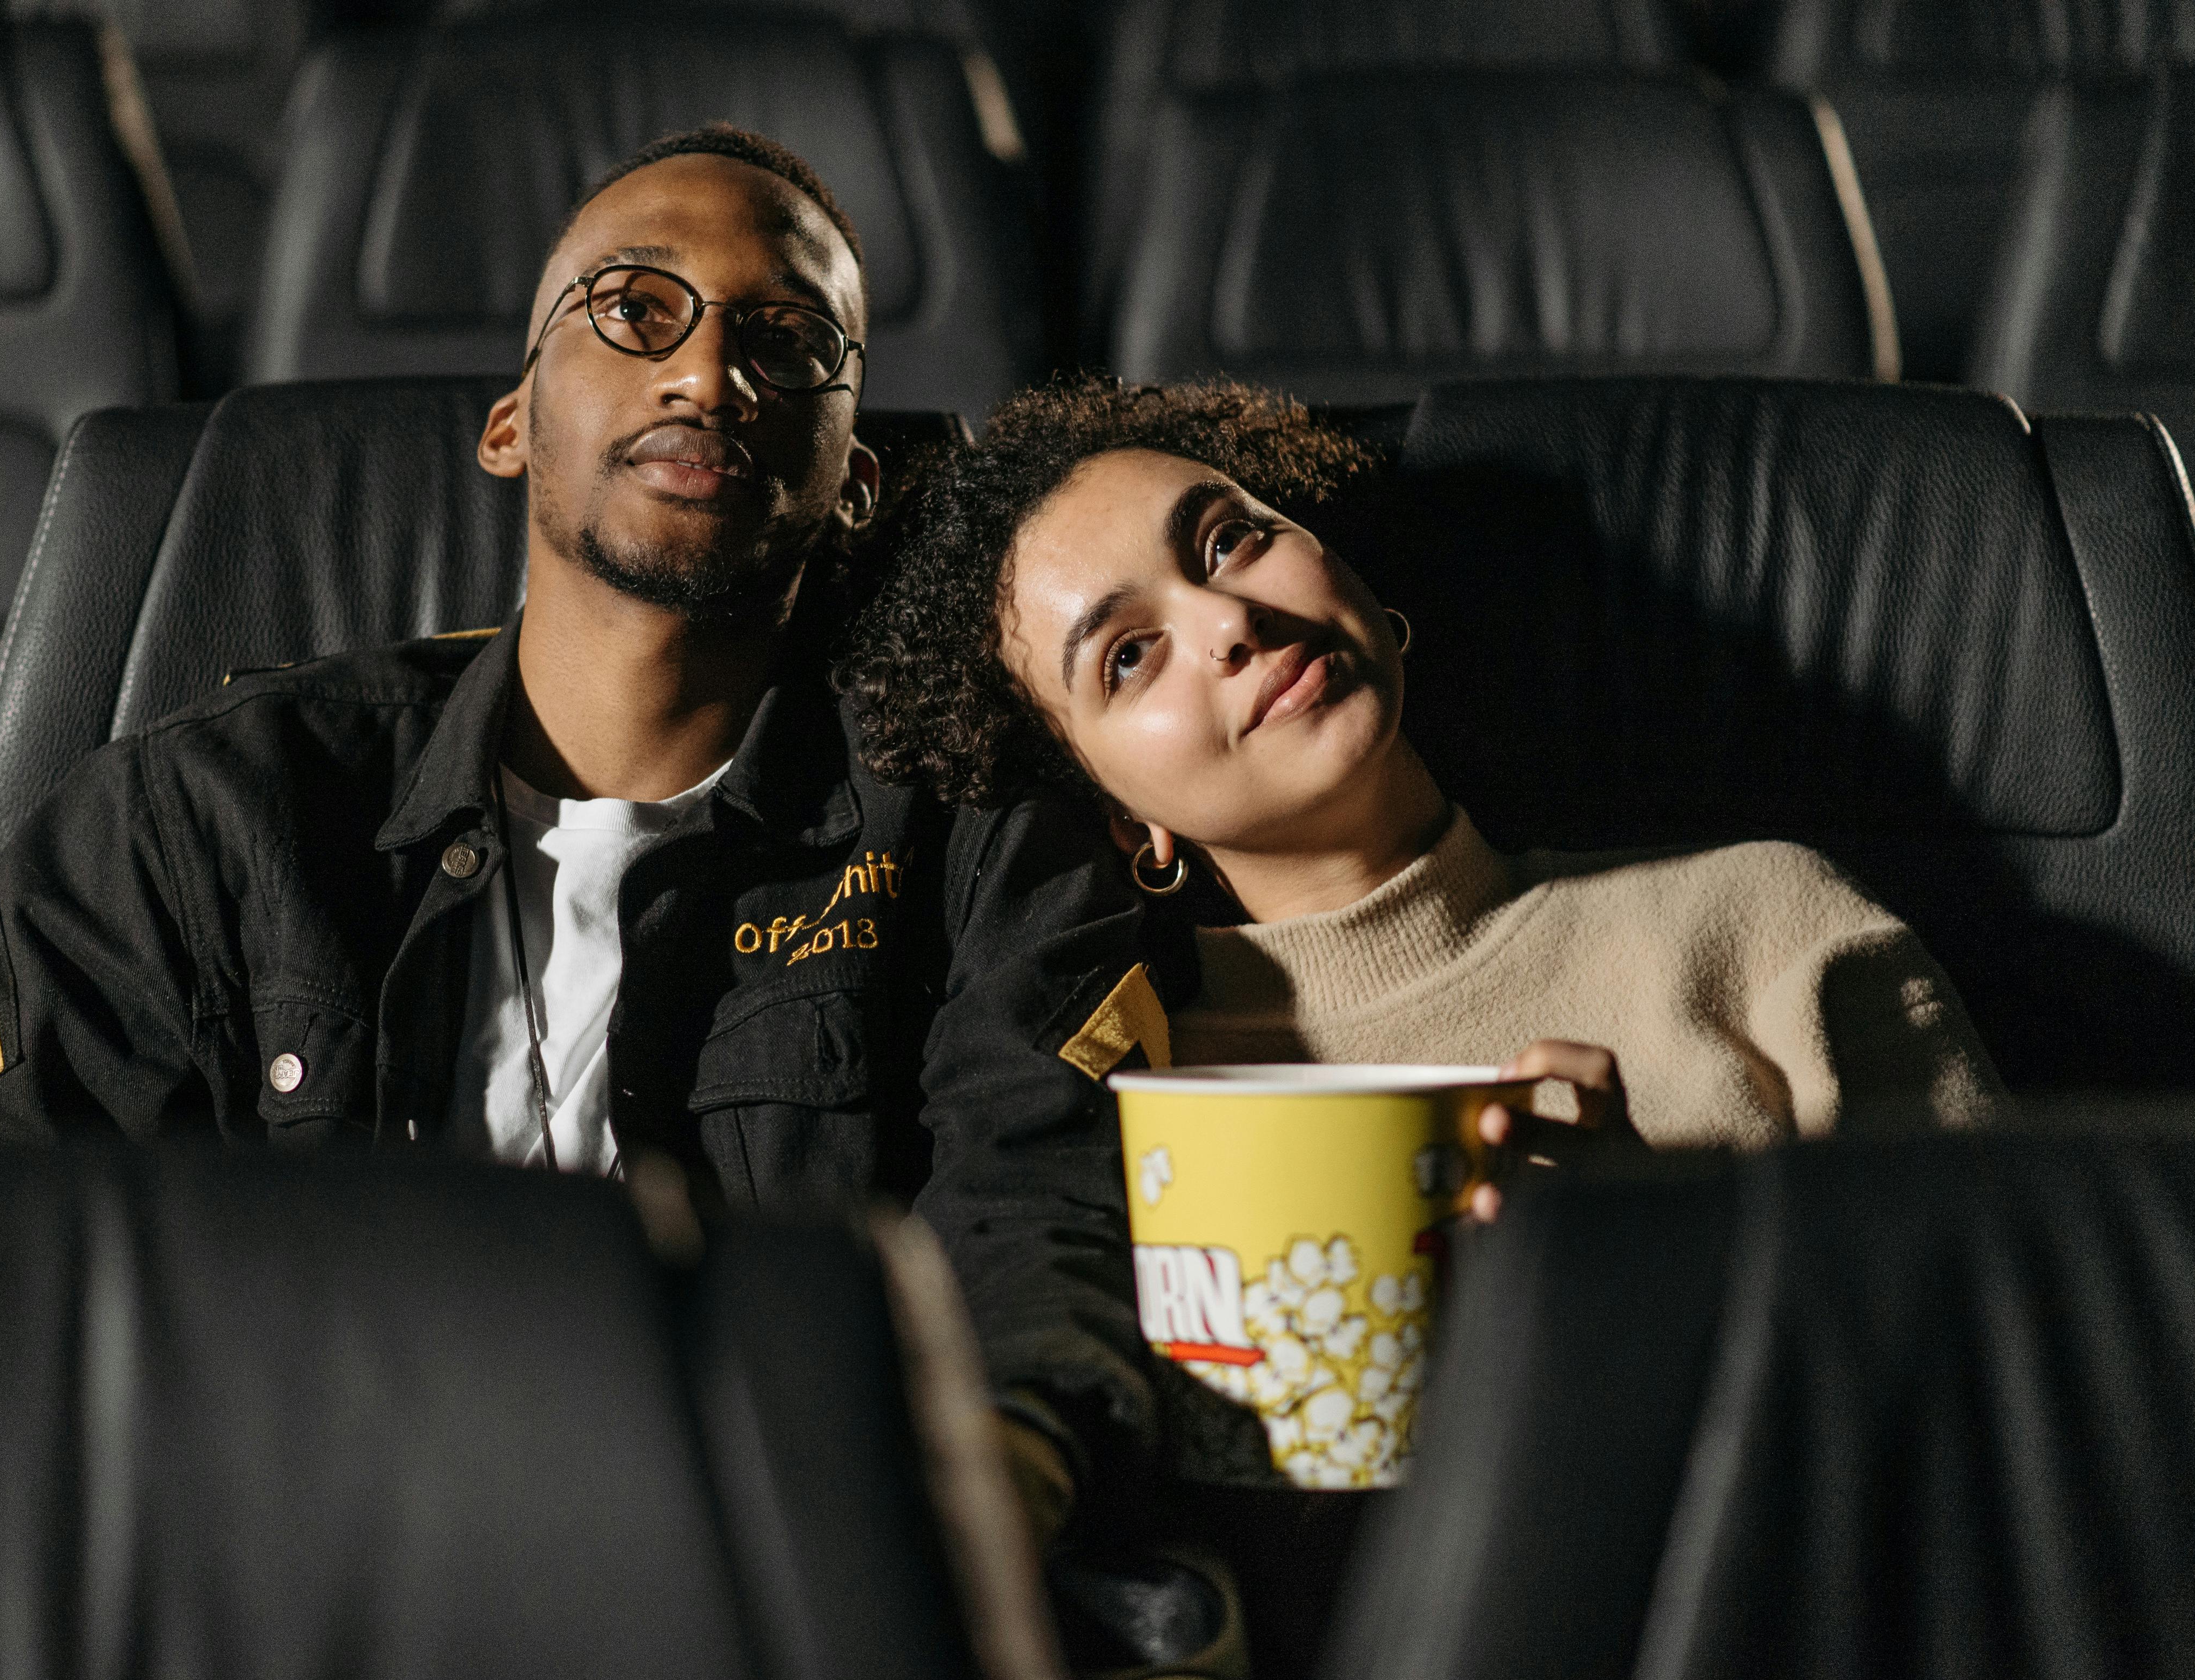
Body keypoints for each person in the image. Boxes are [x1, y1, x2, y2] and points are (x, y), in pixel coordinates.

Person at [0, 127, 1160, 1548]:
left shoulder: (969, 829)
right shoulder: (206, 812)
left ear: (854, 481)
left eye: (788, 342)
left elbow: (1047, 1218)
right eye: (636, 309)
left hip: (770, 1565)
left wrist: (976, 1508)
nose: (707, 376)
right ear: (512, 422)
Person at [847, 376, 2004, 1178]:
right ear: (1121, 820)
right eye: (1128, 656)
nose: (1230, 621)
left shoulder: (1766, 927)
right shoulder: (1117, 1106)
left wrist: (1651, 1248)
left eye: (1229, 541)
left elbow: (1998, 1368)